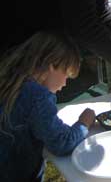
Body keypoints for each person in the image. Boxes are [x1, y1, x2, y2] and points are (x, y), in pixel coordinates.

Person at [0, 31, 96, 181]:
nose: (65, 84)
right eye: (67, 74)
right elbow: (62, 142)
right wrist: (84, 122)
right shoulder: (37, 96)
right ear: (52, 65)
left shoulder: (9, 80)